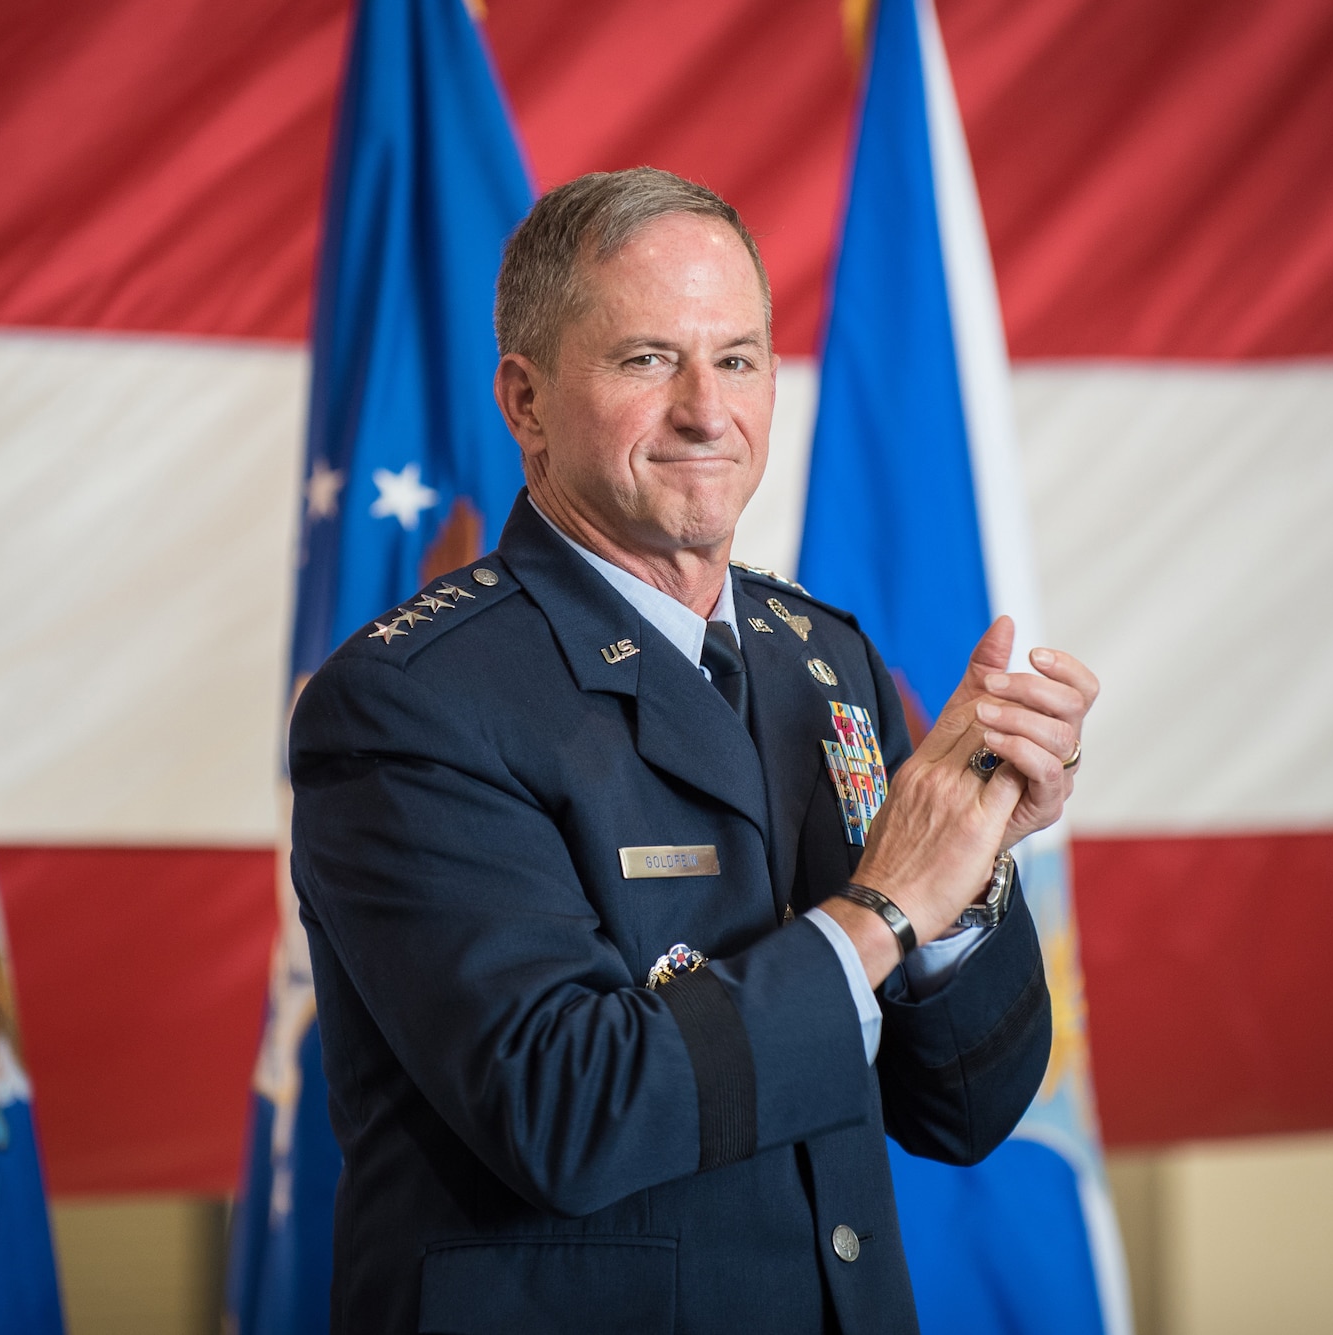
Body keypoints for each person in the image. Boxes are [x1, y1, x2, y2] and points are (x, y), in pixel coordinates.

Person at [289, 167, 1099, 1335]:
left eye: (736, 358)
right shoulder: (406, 706)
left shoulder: (827, 663)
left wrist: (966, 875)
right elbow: (570, 1111)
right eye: (644, 360)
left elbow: (962, 1110)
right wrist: (884, 906)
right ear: (524, 401)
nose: (704, 411)